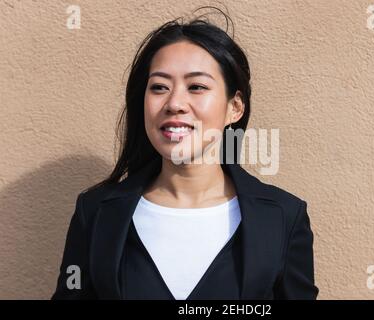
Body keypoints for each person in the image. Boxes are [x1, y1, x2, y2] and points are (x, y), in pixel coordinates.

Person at [51, 6, 319, 300]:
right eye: (159, 87)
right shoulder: (96, 213)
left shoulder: (283, 218)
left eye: (197, 86)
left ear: (235, 107)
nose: (175, 102)